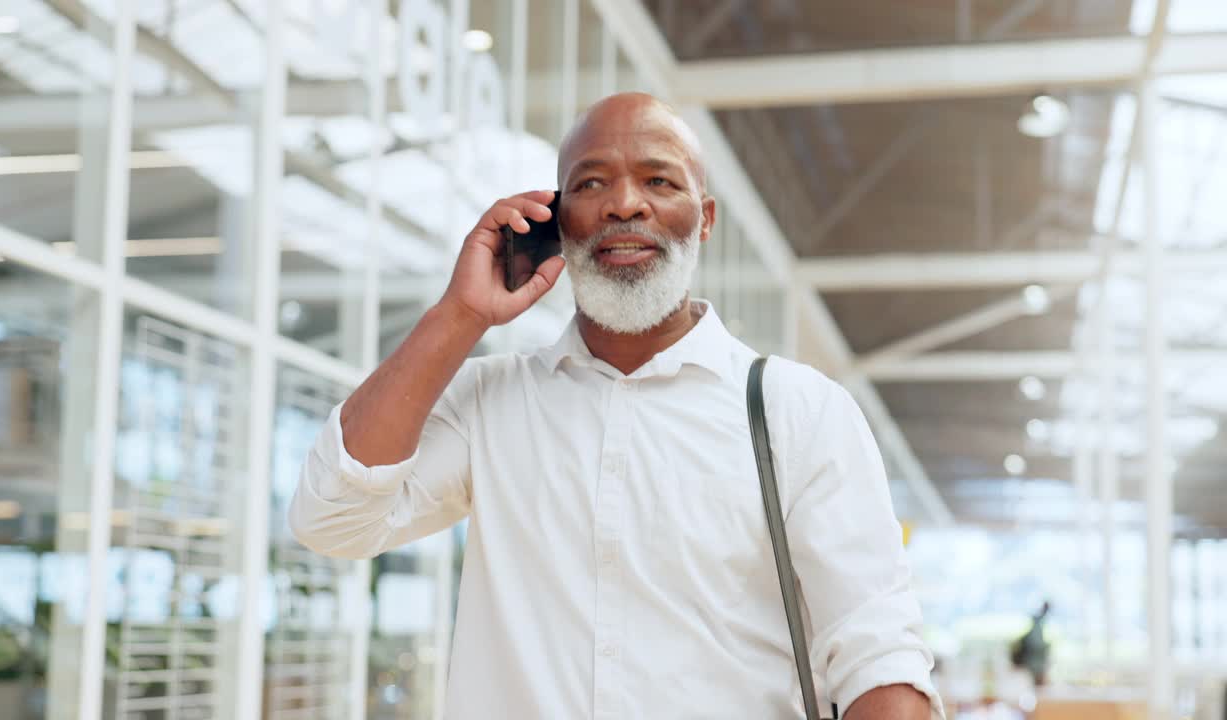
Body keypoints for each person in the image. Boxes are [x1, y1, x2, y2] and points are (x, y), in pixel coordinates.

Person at [289, 93, 943, 719]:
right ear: (556, 221)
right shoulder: (492, 402)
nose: (624, 204)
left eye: (660, 182)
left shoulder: (799, 411)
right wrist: (460, 315)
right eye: (591, 184)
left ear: (705, 219)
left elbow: (877, 653)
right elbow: (332, 520)